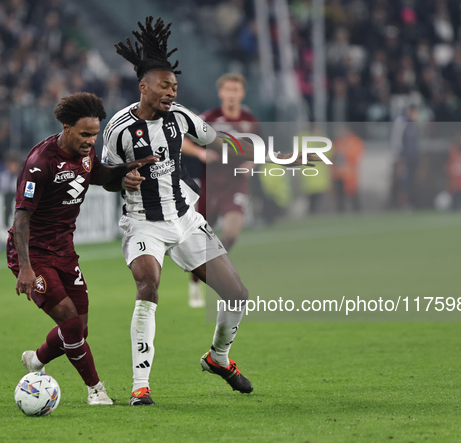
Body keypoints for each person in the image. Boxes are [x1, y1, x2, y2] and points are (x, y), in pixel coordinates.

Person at [103, 17, 319, 406]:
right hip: (143, 224)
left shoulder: (181, 118)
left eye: (175, 87)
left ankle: (217, 358)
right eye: (164, 86)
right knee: (148, 286)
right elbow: (103, 173)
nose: (171, 92)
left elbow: (220, 140)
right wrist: (122, 179)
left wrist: (272, 153)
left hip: (185, 219)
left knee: (237, 295)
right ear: (144, 86)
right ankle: (140, 385)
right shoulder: (118, 128)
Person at [6, 92, 157, 406]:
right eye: (85, 134)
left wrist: (126, 172)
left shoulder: (86, 154)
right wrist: (25, 267)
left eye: (95, 134)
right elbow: (21, 218)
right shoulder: (40, 162)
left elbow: (100, 176)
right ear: (66, 126)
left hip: (64, 250)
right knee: (71, 324)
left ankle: (37, 359)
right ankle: (95, 389)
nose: (91, 140)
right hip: (34, 253)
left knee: (79, 329)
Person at [181, 72, 258, 308]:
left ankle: (212, 272)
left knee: (231, 234)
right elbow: (182, 141)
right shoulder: (210, 118)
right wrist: (200, 152)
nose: (232, 94)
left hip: (236, 184)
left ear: (242, 93)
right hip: (211, 185)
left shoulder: (249, 121)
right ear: (221, 93)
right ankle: (195, 282)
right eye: (228, 90)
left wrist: (250, 163)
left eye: (236, 90)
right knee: (202, 235)